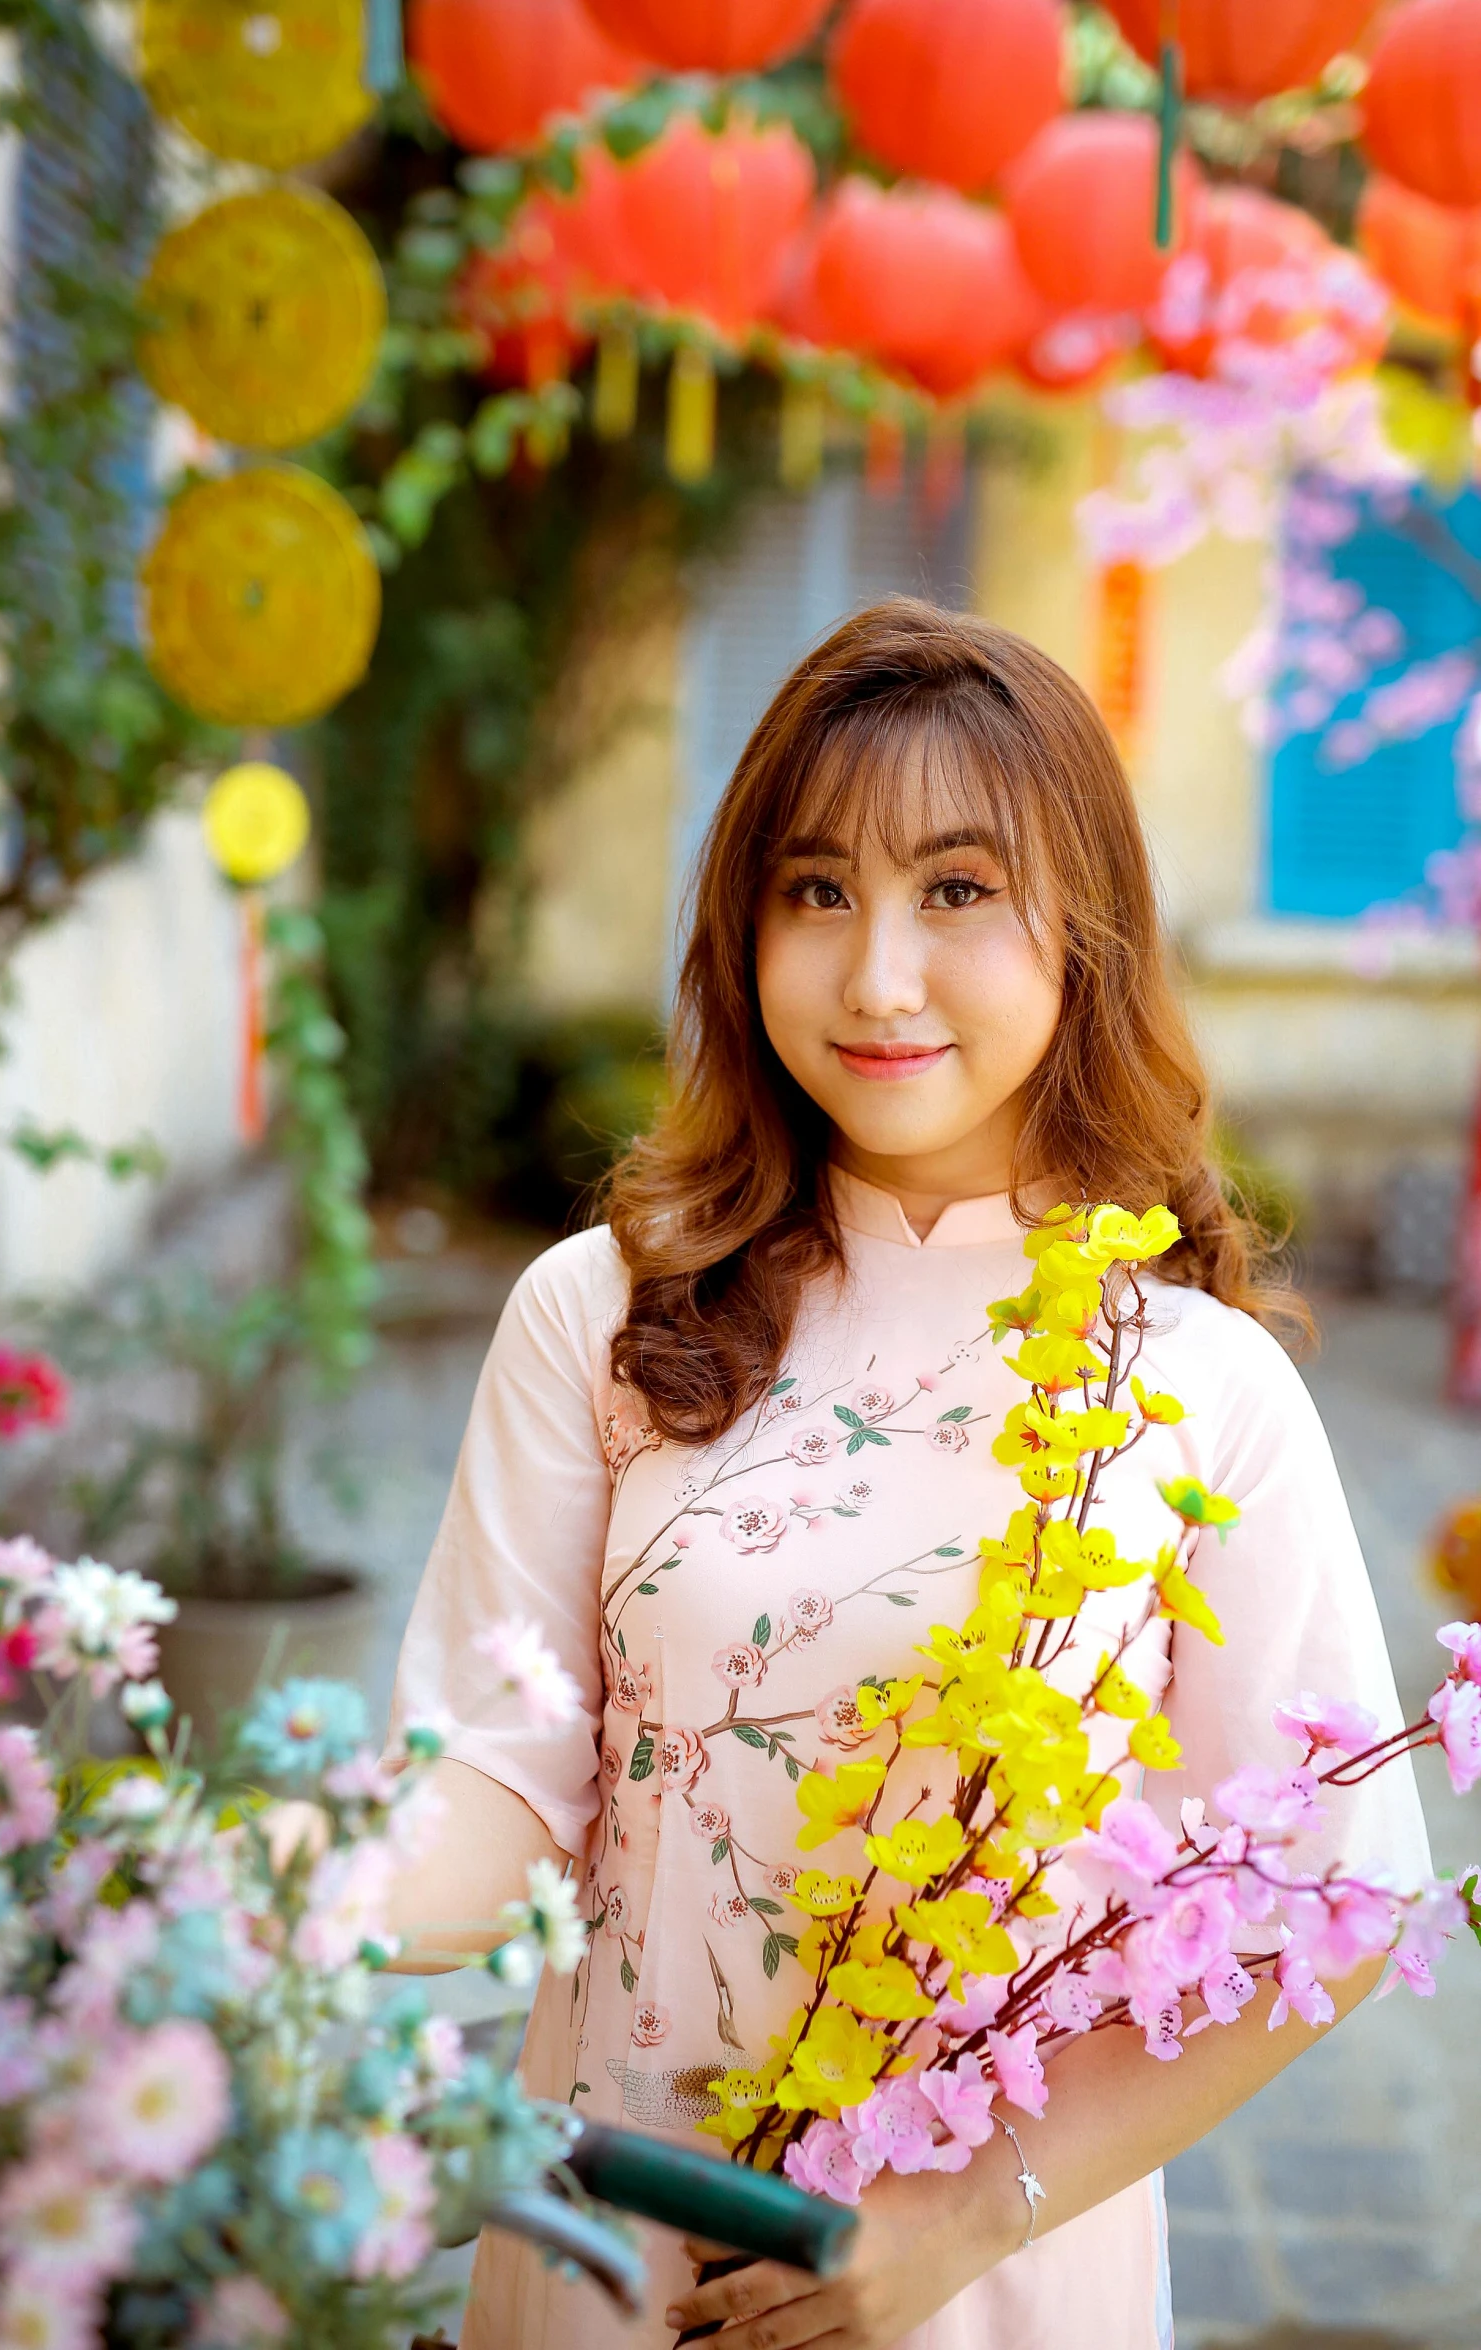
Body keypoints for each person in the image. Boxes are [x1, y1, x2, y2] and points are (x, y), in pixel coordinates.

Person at [384, 600, 1429, 2350]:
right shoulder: (603, 1314)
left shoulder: (1189, 1390)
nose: (875, 975)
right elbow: (501, 1778)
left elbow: (1319, 1908)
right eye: (815, 889)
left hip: (978, 2286)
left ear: (1080, 930)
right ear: (743, 925)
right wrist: (252, 1903)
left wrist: (952, 2222)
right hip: (607, 2247)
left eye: (954, 890)